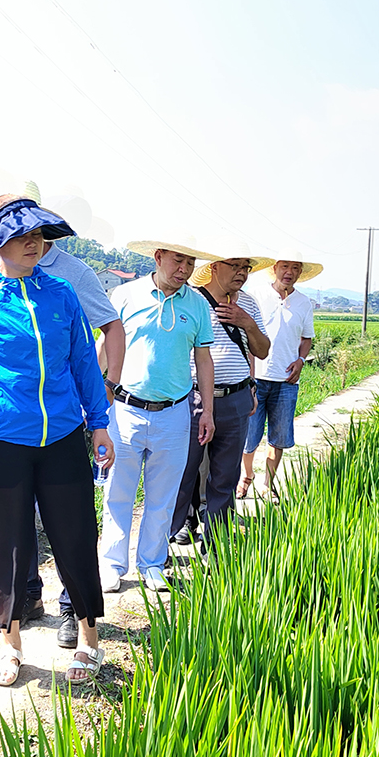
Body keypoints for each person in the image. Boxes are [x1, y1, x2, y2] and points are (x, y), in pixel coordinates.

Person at [0, 195, 114, 686]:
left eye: (39, 235)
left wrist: (98, 422)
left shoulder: (60, 293)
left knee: (76, 534)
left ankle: (87, 637)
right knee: (7, 543)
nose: (33, 242)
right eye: (21, 235)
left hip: (62, 434)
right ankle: (10, 641)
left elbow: (83, 360)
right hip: (1, 437)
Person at [99, 236, 221, 595]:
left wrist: (208, 412)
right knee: (117, 491)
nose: (184, 270)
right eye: (177, 261)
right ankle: (111, 564)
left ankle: (151, 563)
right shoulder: (125, 296)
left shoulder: (197, 305)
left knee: (163, 495)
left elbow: (203, 358)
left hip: (174, 412)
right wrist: (95, 404)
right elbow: (105, 347)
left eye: (190, 264)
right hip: (125, 409)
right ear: (158, 257)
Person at [170, 252, 271, 547]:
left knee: (225, 476)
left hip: (236, 397)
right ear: (214, 268)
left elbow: (262, 351)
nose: (241, 272)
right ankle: (165, 543)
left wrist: (247, 323)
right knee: (183, 471)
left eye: (246, 268)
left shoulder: (248, 304)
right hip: (193, 398)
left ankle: (216, 543)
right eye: (235, 266)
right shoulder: (192, 300)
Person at [240, 252, 322, 501]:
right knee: (248, 435)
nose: (289, 272)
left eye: (295, 268)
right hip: (257, 378)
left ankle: (268, 483)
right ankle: (245, 477)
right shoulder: (257, 296)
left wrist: (300, 361)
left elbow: (306, 338)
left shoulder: (304, 303)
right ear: (275, 268)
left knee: (279, 435)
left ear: (300, 273)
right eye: (285, 266)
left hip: (286, 381)